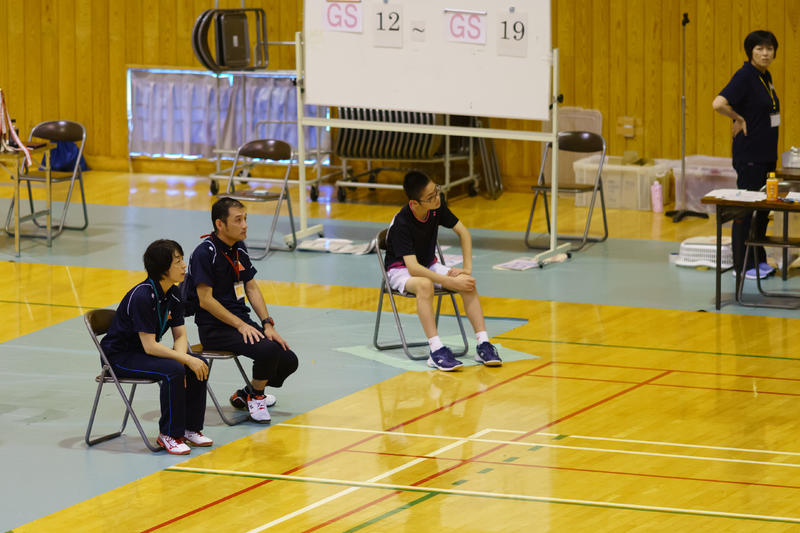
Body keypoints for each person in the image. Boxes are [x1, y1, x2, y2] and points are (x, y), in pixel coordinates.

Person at [185, 197, 299, 423]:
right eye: (238, 220)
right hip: (215, 329)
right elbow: (205, 300)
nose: (245, 225)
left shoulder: (238, 248)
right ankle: (256, 397)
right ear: (220, 224)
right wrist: (240, 325)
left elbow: (251, 287)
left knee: (288, 359)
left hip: (241, 322)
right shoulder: (205, 253)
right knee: (268, 351)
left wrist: (267, 324)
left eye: (245, 219)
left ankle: (247, 393)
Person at [100, 239, 212, 455]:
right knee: (174, 370)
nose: (184, 265)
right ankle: (169, 434)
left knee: (198, 364)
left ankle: (190, 428)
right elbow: (150, 346)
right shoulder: (142, 296)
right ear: (162, 268)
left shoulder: (174, 293)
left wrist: (184, 360)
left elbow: (180, 335)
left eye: (182, 260)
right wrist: (183, 361)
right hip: (119, 358)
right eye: (177, 261)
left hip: (143, 353)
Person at [384, 170, 502, 371]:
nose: (437, 198)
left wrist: (466, 269)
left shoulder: (437, 207)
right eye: (430, 197)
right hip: (400, 270)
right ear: (414, 203)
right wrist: (448, 281)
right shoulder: (402, 222)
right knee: (424, 285)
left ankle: (483, 344)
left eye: (436, 191)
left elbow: (463, 232)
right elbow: (413, 268)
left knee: (466, 282)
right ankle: (436, 349)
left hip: (428, 264)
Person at [712, 30, 780, 280]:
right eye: (759, 48)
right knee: (747, 209)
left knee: (762, 210)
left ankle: (757, 259)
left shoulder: (764, 76)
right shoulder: (744, 76)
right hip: (750, 154)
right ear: (750, 52)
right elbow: (718, 103)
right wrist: (738, 118)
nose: (765, 53)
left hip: (766, 154)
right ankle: (742, 265)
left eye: (769, 48)